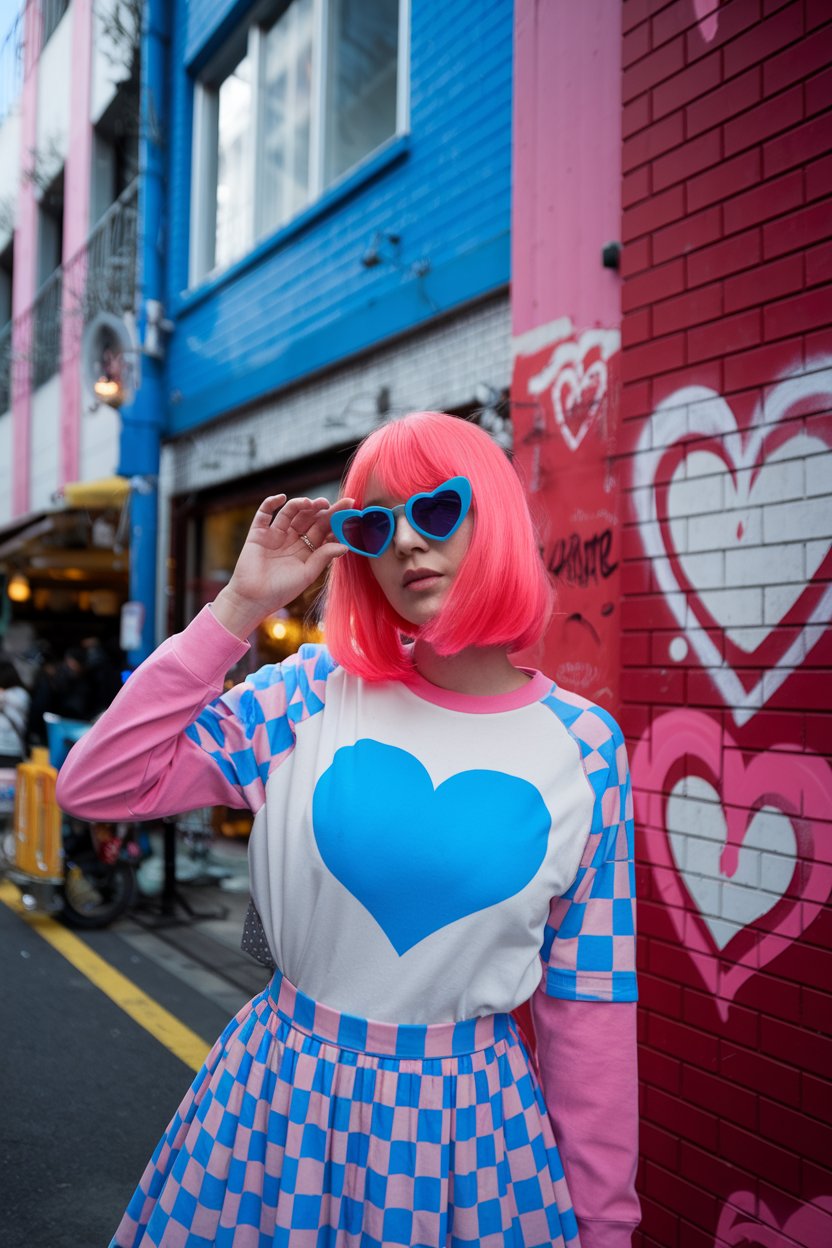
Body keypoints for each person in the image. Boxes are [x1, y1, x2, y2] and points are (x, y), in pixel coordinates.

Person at [57, 411, 640, 1248]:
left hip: (471, 1142)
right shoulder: (310, 693)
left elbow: (588, 1003)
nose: (405, 542)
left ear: (497, 517)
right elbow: (99, 781)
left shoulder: (584, 747)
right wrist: (237, 608)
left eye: (436, 510)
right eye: (374, 525)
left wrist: (606, 1225)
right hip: (276, 1108)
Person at [0, 656, 30, 766]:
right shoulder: (22, 694)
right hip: (11, 748)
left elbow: (4, 698)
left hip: (12, 748)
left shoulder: (19, 694)